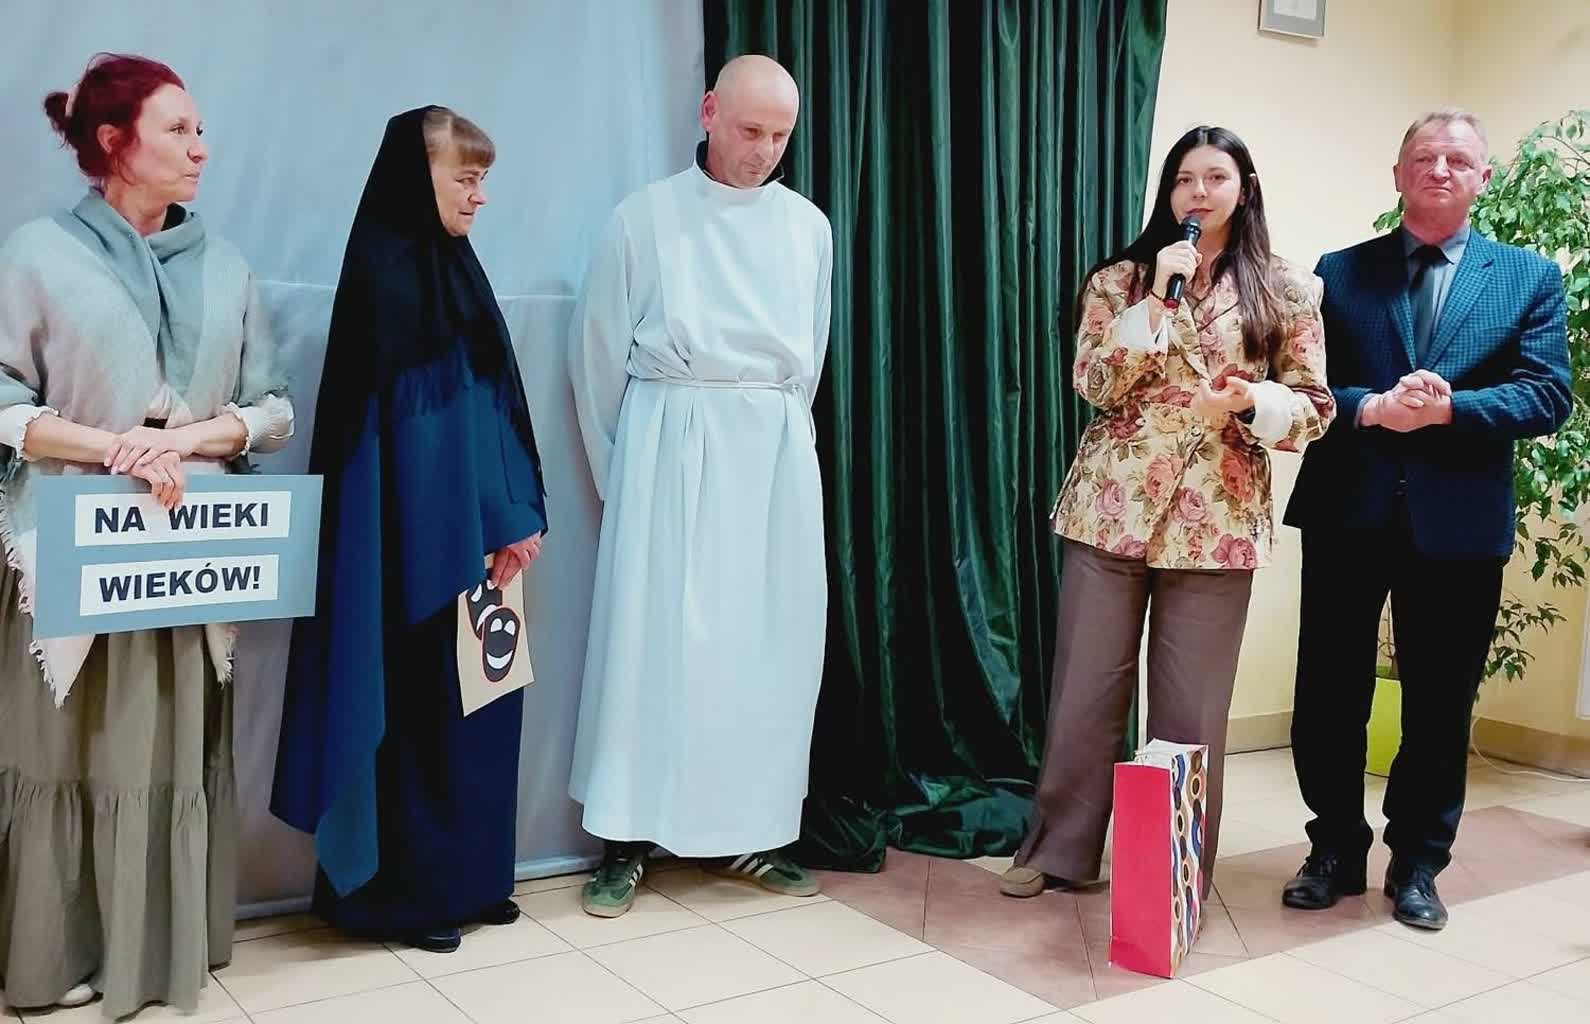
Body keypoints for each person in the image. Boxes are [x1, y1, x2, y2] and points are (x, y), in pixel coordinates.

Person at [0, 53, 293, 1016]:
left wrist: (189, 440)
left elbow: (272, 407)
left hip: (186, 555)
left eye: (201, 130)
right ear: (113, 141)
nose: (200, 148)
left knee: (166, 748)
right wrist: (115, 448)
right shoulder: (37, 256)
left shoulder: (227, 267)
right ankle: (57, 955)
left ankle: (163, 946)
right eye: (178, 129)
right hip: (71, 552)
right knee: (68, 746)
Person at [999, 126, 1335, 901]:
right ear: (1169, 191)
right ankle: (1058, 851)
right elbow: (1094, 383)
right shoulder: (1122, 279)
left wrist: (1253, 401)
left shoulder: (1286, 289)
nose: (1199, 191)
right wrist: (1155, 298)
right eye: (1185, 178)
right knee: (1085, 690)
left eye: (1216, 177)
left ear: (1244, 189)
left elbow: (1315, 408)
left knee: (1191, 707)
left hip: (1217, 518)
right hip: (1111, 507)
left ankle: (1172, 875)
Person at [1282, 109, 1571, 930]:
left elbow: (1548, 394)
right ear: (1398, 174)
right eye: (1425, 157)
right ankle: (1334, 850)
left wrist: (1449, 410)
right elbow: (1307, 388)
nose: (1440, 169)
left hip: (1459, 523)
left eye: (1458, 160)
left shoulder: (1528, 277)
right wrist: (1374, 406)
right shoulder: (1340, 271)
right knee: (1327, 694)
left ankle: (1417, 863)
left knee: (1440, 703)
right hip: (1348, 509)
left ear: (1484, 178)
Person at [271, 107, 548, 954]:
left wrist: (518, 516)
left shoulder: (455, 272)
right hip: (412, 554)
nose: (479, 196)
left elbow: (495, 410)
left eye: (483, 179)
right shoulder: (388, 286)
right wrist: (481, 525)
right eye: (466, 177)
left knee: (482, 714)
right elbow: (423, 440)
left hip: (479, 542)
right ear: (416, 176)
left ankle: (473, 880)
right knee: (420, 719)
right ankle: (403, 899)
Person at [568, 54, 832, 918]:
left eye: (781, 136)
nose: (765, 150)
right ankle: (626, 837)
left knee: (766, 644)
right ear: (710, 111)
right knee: (653, 644)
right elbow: (598, 358)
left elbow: (808, 361)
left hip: (771, 452)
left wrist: (776, 438)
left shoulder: (808, 228)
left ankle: (750, 828)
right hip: (670, 443)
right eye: (751, 130)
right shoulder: (644, 218)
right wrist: (628, 476)